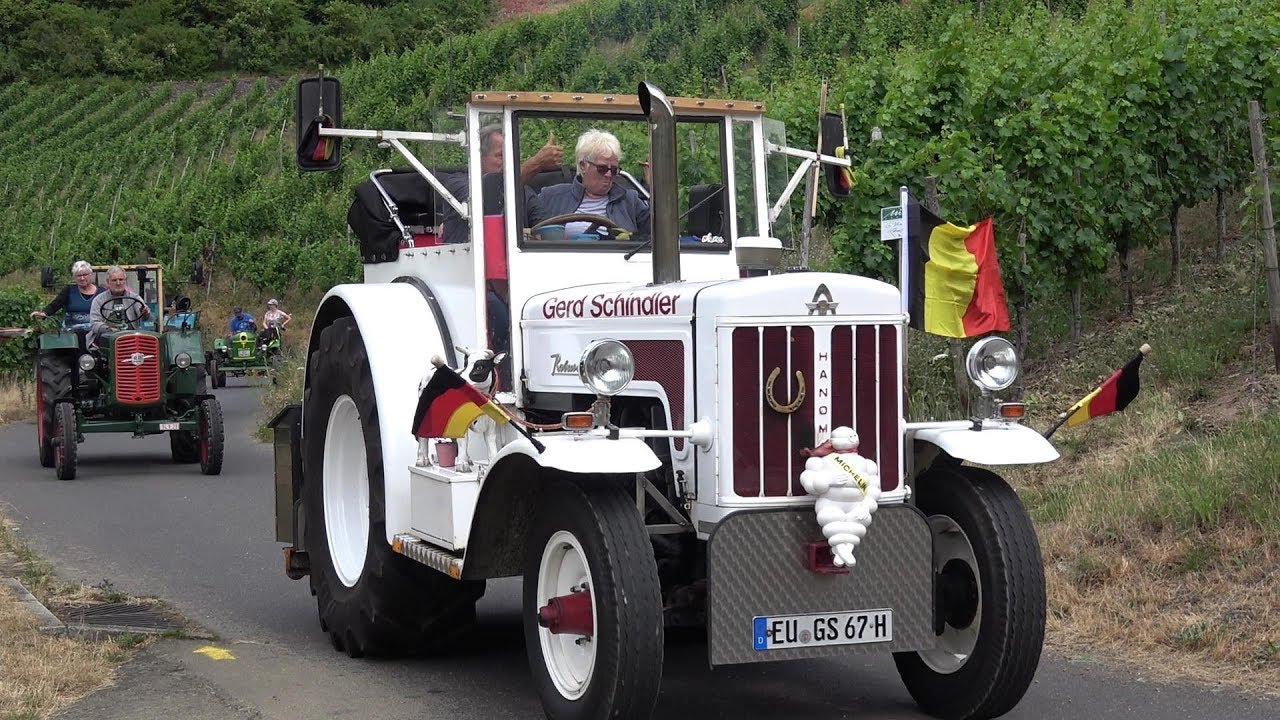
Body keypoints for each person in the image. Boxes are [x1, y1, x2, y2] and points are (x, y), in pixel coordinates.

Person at [440, 124, 562, 244]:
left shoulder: (524, 191)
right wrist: (537, 163)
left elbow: (548, 230)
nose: (508, 161)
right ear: (479, 157)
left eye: (511, 155)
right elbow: (491, 190)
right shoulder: (457, 183)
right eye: (501, 155)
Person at [535, 129, 650, 239]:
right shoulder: (551, 197)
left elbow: (659, 228)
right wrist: (536, 163)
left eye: (614, 170)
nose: (609, 175)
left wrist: (655, 186)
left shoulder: (630, 200)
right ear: (583, 166)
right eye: (602, 168)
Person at [31, 260, 104, 330]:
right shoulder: (69, 290)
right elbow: (55, 304)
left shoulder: (102, 292)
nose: (82, 278)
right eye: (78, 276)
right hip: (72, 332)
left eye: (85, 275)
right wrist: (44, 313)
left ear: (91, 275)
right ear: (74, 277)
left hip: (95, 332)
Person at [89, 265, 152, 344]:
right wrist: (111, 330)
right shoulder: (98, 300)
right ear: (108, 282)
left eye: (121, 279)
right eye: (114, 280)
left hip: (130, 337)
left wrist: (144, 312)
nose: (118, 283)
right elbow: (95, 324)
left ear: (125, 281)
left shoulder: (134, 297)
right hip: (108, 338)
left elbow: (144, 314)